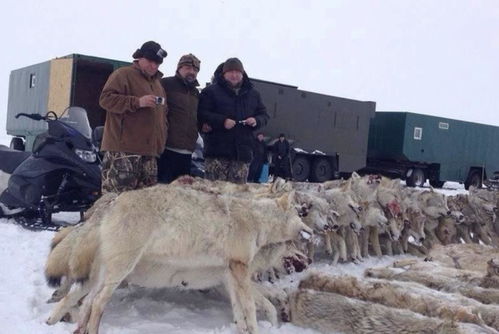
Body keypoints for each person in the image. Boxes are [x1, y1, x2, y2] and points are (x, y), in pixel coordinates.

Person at [99, 41, 168, 193]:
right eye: (150, 61)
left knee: (143, 208)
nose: (153, 66)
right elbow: (105, 100)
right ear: (140, 57)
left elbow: (163, 116)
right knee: (116, 203)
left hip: (150, 154)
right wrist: (137, 102)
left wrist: (160, 142)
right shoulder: (123, 75)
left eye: (157, 63)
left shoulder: (158, 84)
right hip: (124, 152)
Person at [198, 58, 269, 184]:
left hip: (242, 156)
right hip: (217, 155)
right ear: (224, 73)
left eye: (237, 72)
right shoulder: (211, 92)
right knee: (212, 196)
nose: (234, 75)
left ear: (242, 74)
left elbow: (264, 115)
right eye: (230, 71)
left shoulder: (253, 94)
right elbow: (201, 113)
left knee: (237, 198)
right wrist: (222, 121)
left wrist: (256, 120)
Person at [157, 54, 201, 183]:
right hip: (166, 150)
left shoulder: (196, 93)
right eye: (187, 68)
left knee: (181, 194)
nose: (191, 72)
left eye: (195, 70)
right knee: (162, 191)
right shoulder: (165, 84)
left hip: (187, 153)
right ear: (179, 68)